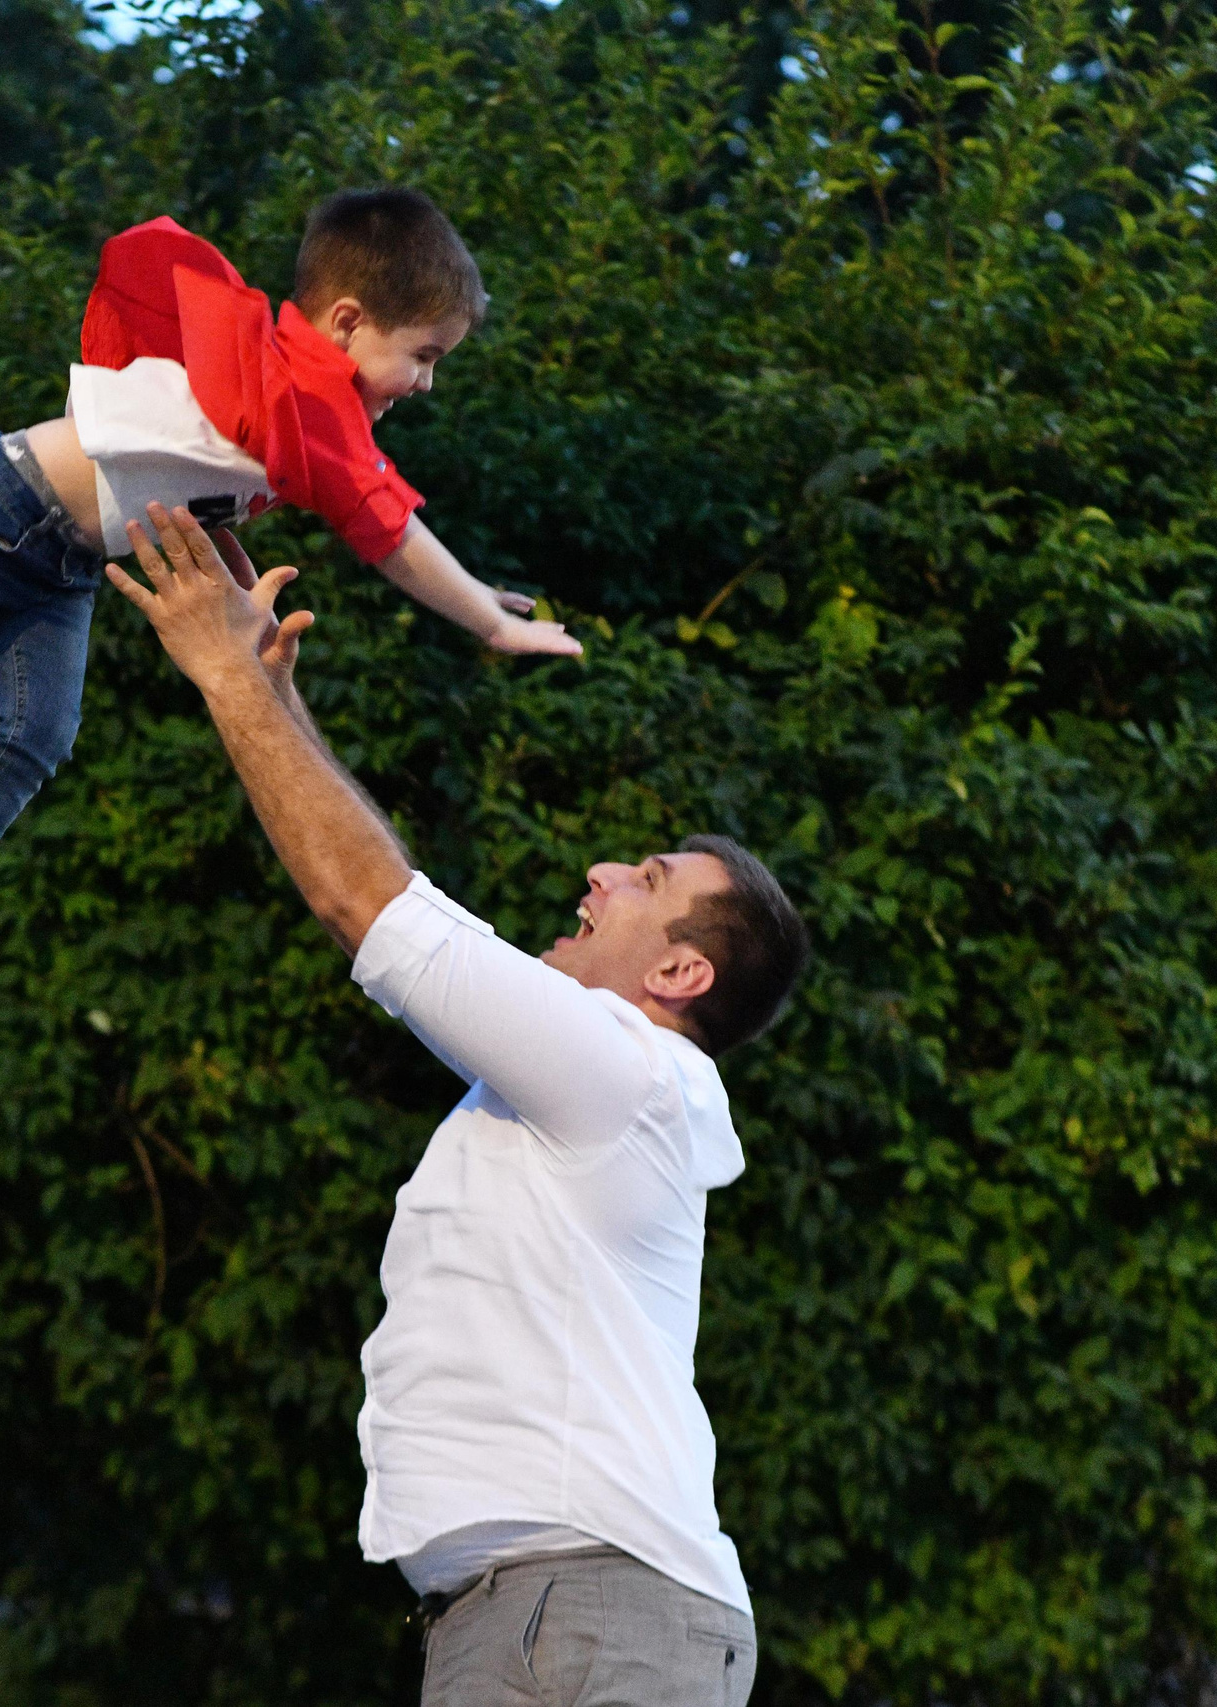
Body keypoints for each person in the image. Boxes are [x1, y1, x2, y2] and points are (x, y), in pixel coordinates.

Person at [106, 503, 812, 1707]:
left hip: (591, 1610)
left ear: (679, 975)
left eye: (643, 882)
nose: (599, 872)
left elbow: (365, 903)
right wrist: (278, 700)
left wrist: (230, 683)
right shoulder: (576, 1088)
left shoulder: (623, 1068)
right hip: (544, 1614)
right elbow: (371, 883)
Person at [0, 189, 580, 1009]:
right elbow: (391, 534)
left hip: (58, 558)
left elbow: (197, 488)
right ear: (344, 323)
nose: (426, 383)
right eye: (424, 355)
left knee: (37, 733)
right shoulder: (305, 395)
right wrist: (487, 621)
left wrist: (242, 587)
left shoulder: (288, 396)